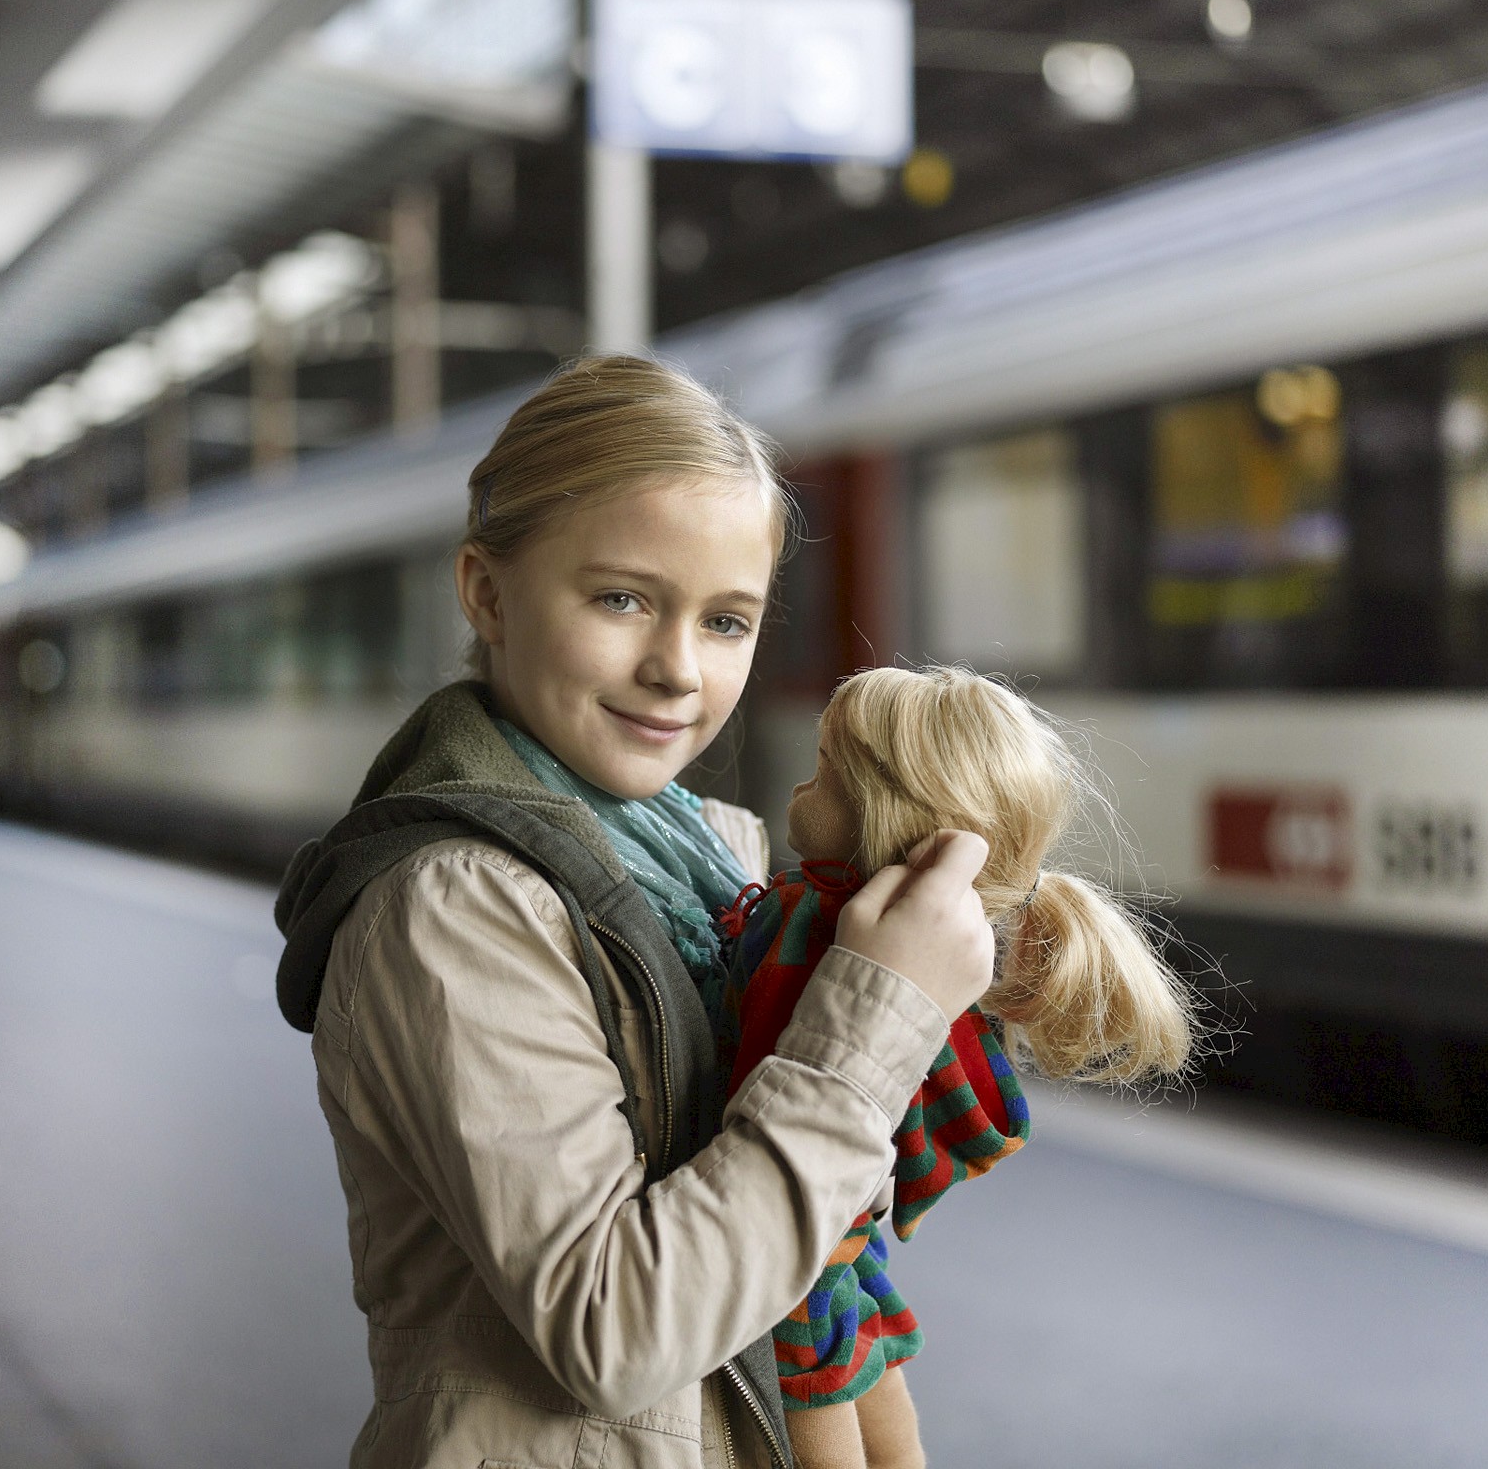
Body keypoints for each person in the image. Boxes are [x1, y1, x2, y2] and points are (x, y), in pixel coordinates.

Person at [272, 355, 997, 1469]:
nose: (676, 669)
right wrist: (877, 1016)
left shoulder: (720, 858)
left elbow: (797, 1226)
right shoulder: (453, 904)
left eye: (727, 621)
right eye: (621, 599)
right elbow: (613, 1330)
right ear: (486, 593)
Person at [715, 665, 1199, 1469]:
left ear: (881, 811)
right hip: (845, 1214)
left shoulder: (826, 929)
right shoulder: (913, 934)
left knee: (813, 1366)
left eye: (823, 772)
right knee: (865, 1337)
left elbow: (756, 1065)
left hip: (797, 1219)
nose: (800, 787)